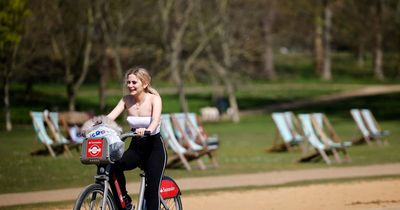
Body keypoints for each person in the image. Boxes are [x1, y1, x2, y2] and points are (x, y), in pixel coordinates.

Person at [107, 67, 166, 210]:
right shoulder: (126, 100)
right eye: (128, 82)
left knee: (152, 192)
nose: (130, 86)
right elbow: (109, 118)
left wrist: (147, 131)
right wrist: (92, 127)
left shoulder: (154, 99)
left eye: (134, 82)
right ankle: (124, 202)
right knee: (112, 167)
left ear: (145, 84)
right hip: (136, 148)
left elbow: (155, 121)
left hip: (154, 149)